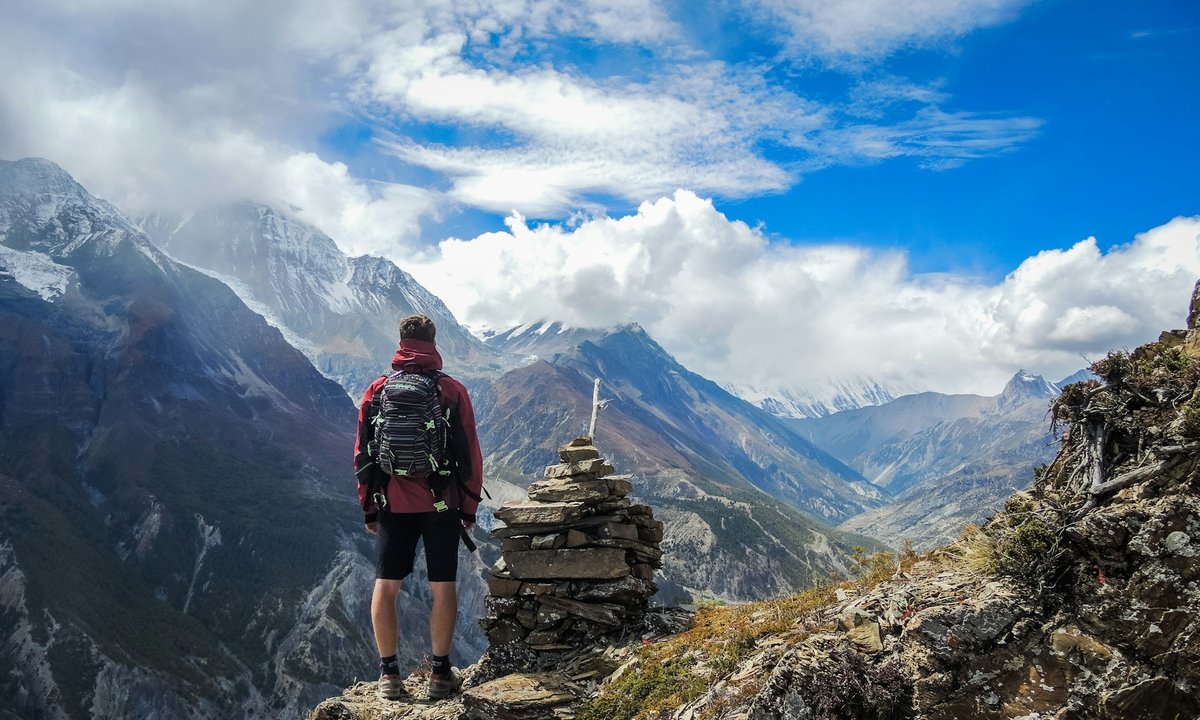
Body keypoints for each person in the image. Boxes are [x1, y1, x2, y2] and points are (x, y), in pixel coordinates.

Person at [354, 314, 484, 700]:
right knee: (443, 586)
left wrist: (369, 506)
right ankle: (440, 674)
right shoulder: (452, 391)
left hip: (392, 502)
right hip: (442, 503)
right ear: (434, 342)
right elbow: (470, 454)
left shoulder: (378, 390)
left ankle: (388, 675)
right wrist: (469, 507)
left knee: (386, 584)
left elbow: (362, 454)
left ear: (400, 343)